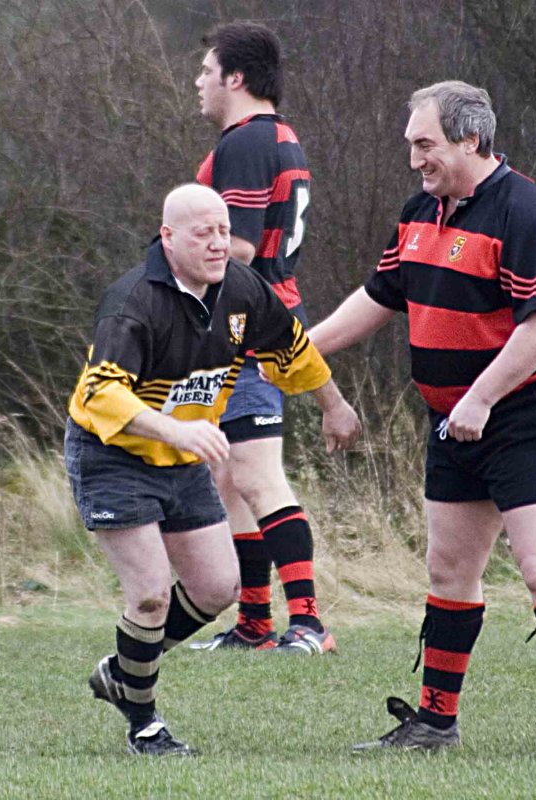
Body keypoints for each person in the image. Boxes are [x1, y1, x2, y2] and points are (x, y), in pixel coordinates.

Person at [308, 81, 536, 760]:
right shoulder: (422, 209)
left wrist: (479, 398)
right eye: (412, 144)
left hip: (530, 411)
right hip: (455, 420)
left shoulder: (523, 209)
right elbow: (379, 296)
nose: (415, 158)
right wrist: (301, 350)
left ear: (470, 139)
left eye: (426, 143)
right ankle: (435, 722)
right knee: (448, 570)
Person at [64, 184, 360, 756]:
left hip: (182, 457)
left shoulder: (244, 290)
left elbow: (293, 352)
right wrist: (177, 429)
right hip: (113, 454)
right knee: (150, 595)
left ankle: (124, 669)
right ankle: (145, 725)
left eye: (225, 230)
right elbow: (101, 395)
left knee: (217, 586)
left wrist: (334, 406)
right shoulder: (133, 302)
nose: (219, 243)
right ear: (168, 237)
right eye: (204, 233)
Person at [192, 22, 333, 654]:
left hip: (249, 328)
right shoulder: (279, 137)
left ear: (235, 78)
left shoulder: (245, 141)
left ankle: (308, 622)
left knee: (256, 475)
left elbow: (239, 248)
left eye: (206, 70)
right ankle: (254, 623)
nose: (197, 82)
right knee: (230, 481)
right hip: (253, 323)